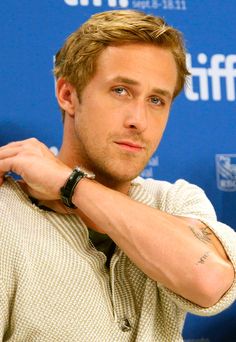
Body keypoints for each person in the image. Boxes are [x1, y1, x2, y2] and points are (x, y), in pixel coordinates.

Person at [0, 9, 235, 342]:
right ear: (68, 95)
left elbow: (210, 281)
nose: (138, 120)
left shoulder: (175, 200)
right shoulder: (6, 216)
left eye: (156, 100)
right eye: (121, 91)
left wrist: (71, 185)